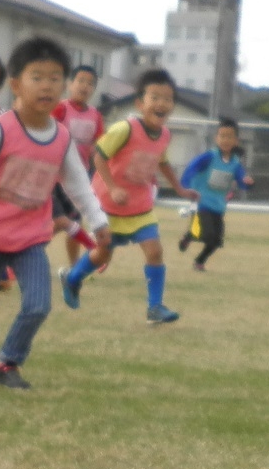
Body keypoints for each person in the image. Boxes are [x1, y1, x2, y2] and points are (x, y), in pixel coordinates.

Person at [0, 36, 110, 389]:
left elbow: (78, 185)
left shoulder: (61, 138)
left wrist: (99, 220)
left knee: (39, 305)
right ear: (16, 85)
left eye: (55, 78)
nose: (47, 86)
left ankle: (5, 364)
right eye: (37, 77)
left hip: (29, 241)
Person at [62, 67, 194, 324]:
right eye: (154, 97)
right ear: (139, 103)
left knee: (155, 252)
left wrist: (180, 189)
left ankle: (154, 307)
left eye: (167, 99)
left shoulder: (165, 135)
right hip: (109, 206)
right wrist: (112, 187)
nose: (161, 104)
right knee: (103, 255)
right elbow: (98, 156)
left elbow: (163, 163)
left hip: (140, 207)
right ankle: (73, 278)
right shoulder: (125, 129)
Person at [177, 117, 253, 272]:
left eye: (229, 136)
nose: (225, 140)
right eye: (222, 136)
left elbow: (241, 181)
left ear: (236, 141)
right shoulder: (209, 157)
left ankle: (199, 260)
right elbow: (191, 168)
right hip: (202, 203)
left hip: (218, 206)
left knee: (216, 241)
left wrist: (248, 183)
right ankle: (190, 235)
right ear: (216, 138)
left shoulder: (235, 163)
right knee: (208, 234)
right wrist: (185, 187)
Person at [52, 62, 104, 266]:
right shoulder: (60, 109)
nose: (85, 86)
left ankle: (75, 265)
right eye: (80, 81)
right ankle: (22, 255)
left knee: (72, 222)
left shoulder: (95, 115)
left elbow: (100, 146)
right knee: (63, 222)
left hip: (79, 177)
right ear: (70, 84)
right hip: (55, 176)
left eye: (90, 83)